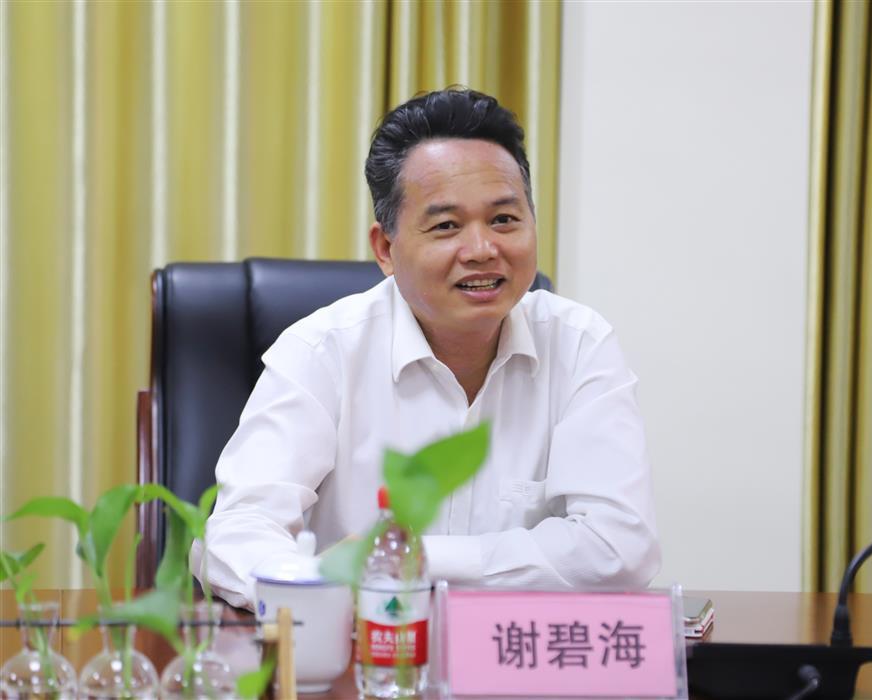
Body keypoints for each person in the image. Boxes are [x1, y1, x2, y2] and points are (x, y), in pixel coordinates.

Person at [194, 88, 660, 610]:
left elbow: (619, 549)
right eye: (446, 226)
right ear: (386, 249)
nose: (482, 250)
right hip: (359, 649)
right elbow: (235, 533)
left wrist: (404, 559)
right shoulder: (322, 352)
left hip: (511, 655)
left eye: (504, 220)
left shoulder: (579, 345)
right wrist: (318, 589)